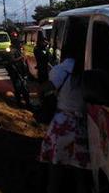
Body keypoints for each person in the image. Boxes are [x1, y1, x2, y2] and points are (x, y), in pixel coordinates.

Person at [38, 41, 90, 193]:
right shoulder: (88, 69)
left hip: (62, 125)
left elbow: (47, 88)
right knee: (82, 173)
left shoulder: (61, 70)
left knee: (56, 169)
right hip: (82, 126)